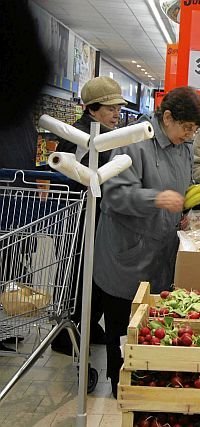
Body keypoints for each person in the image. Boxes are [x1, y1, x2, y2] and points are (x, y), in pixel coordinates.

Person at [92, 86, 200, 398]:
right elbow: (114, 194)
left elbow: (184, 185)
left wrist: (187, 212)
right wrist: (155, 198)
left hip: (161, 252)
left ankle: (144, 385)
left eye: (194, 129)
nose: (190, 134)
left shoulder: (184, 146)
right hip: (126, 255)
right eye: (187, 127)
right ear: (167, 117)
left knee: (150, 326)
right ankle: (120, 388)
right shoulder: (133, 142)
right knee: (122, 325)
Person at [51, 76, 127, 354]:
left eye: (118, 108)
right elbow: (72, 180)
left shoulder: (102, 134)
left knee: (94, 277)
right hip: (79, 221)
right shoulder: (78, 137)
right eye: (110, 109)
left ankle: (88, 326)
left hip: (96, 218)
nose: (117, 114)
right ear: (92, 109)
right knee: (78, 277)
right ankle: (65, 336)